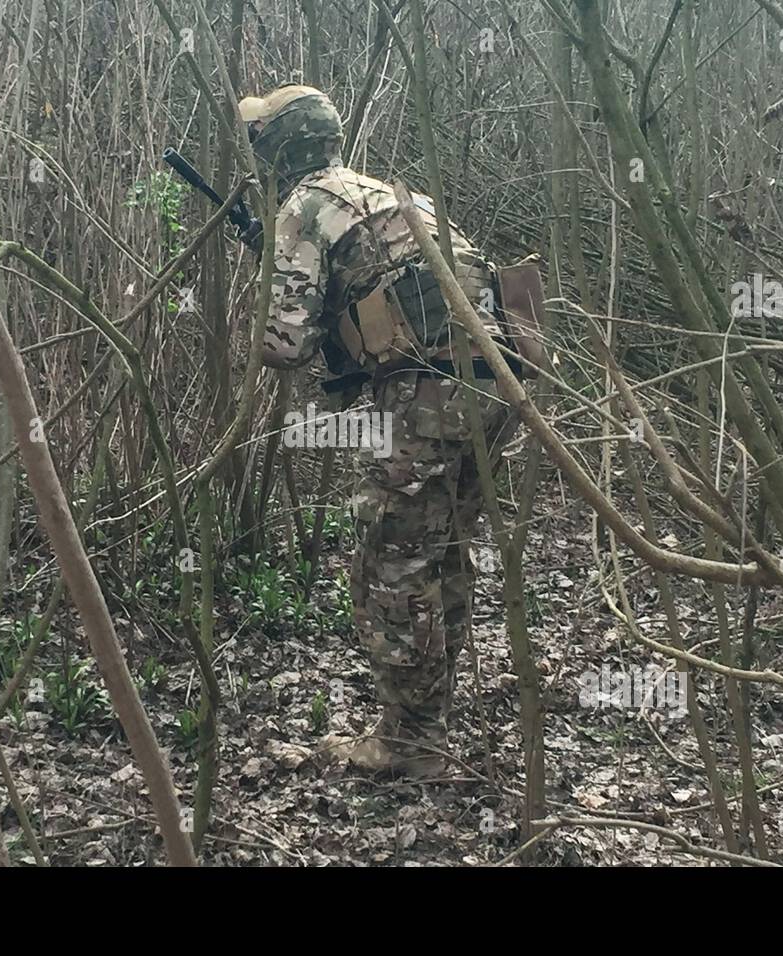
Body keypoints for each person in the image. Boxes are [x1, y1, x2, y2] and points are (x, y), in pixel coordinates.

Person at [238, 84, 518, 778]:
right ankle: (426, 727)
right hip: (497, 384)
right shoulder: (396, 195)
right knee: (442, 553)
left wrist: (269, 278)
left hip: (432, 394)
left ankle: (413, 744)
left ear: (276, 150)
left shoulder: (303, 207)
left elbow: (283, 346)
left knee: (390, 564)